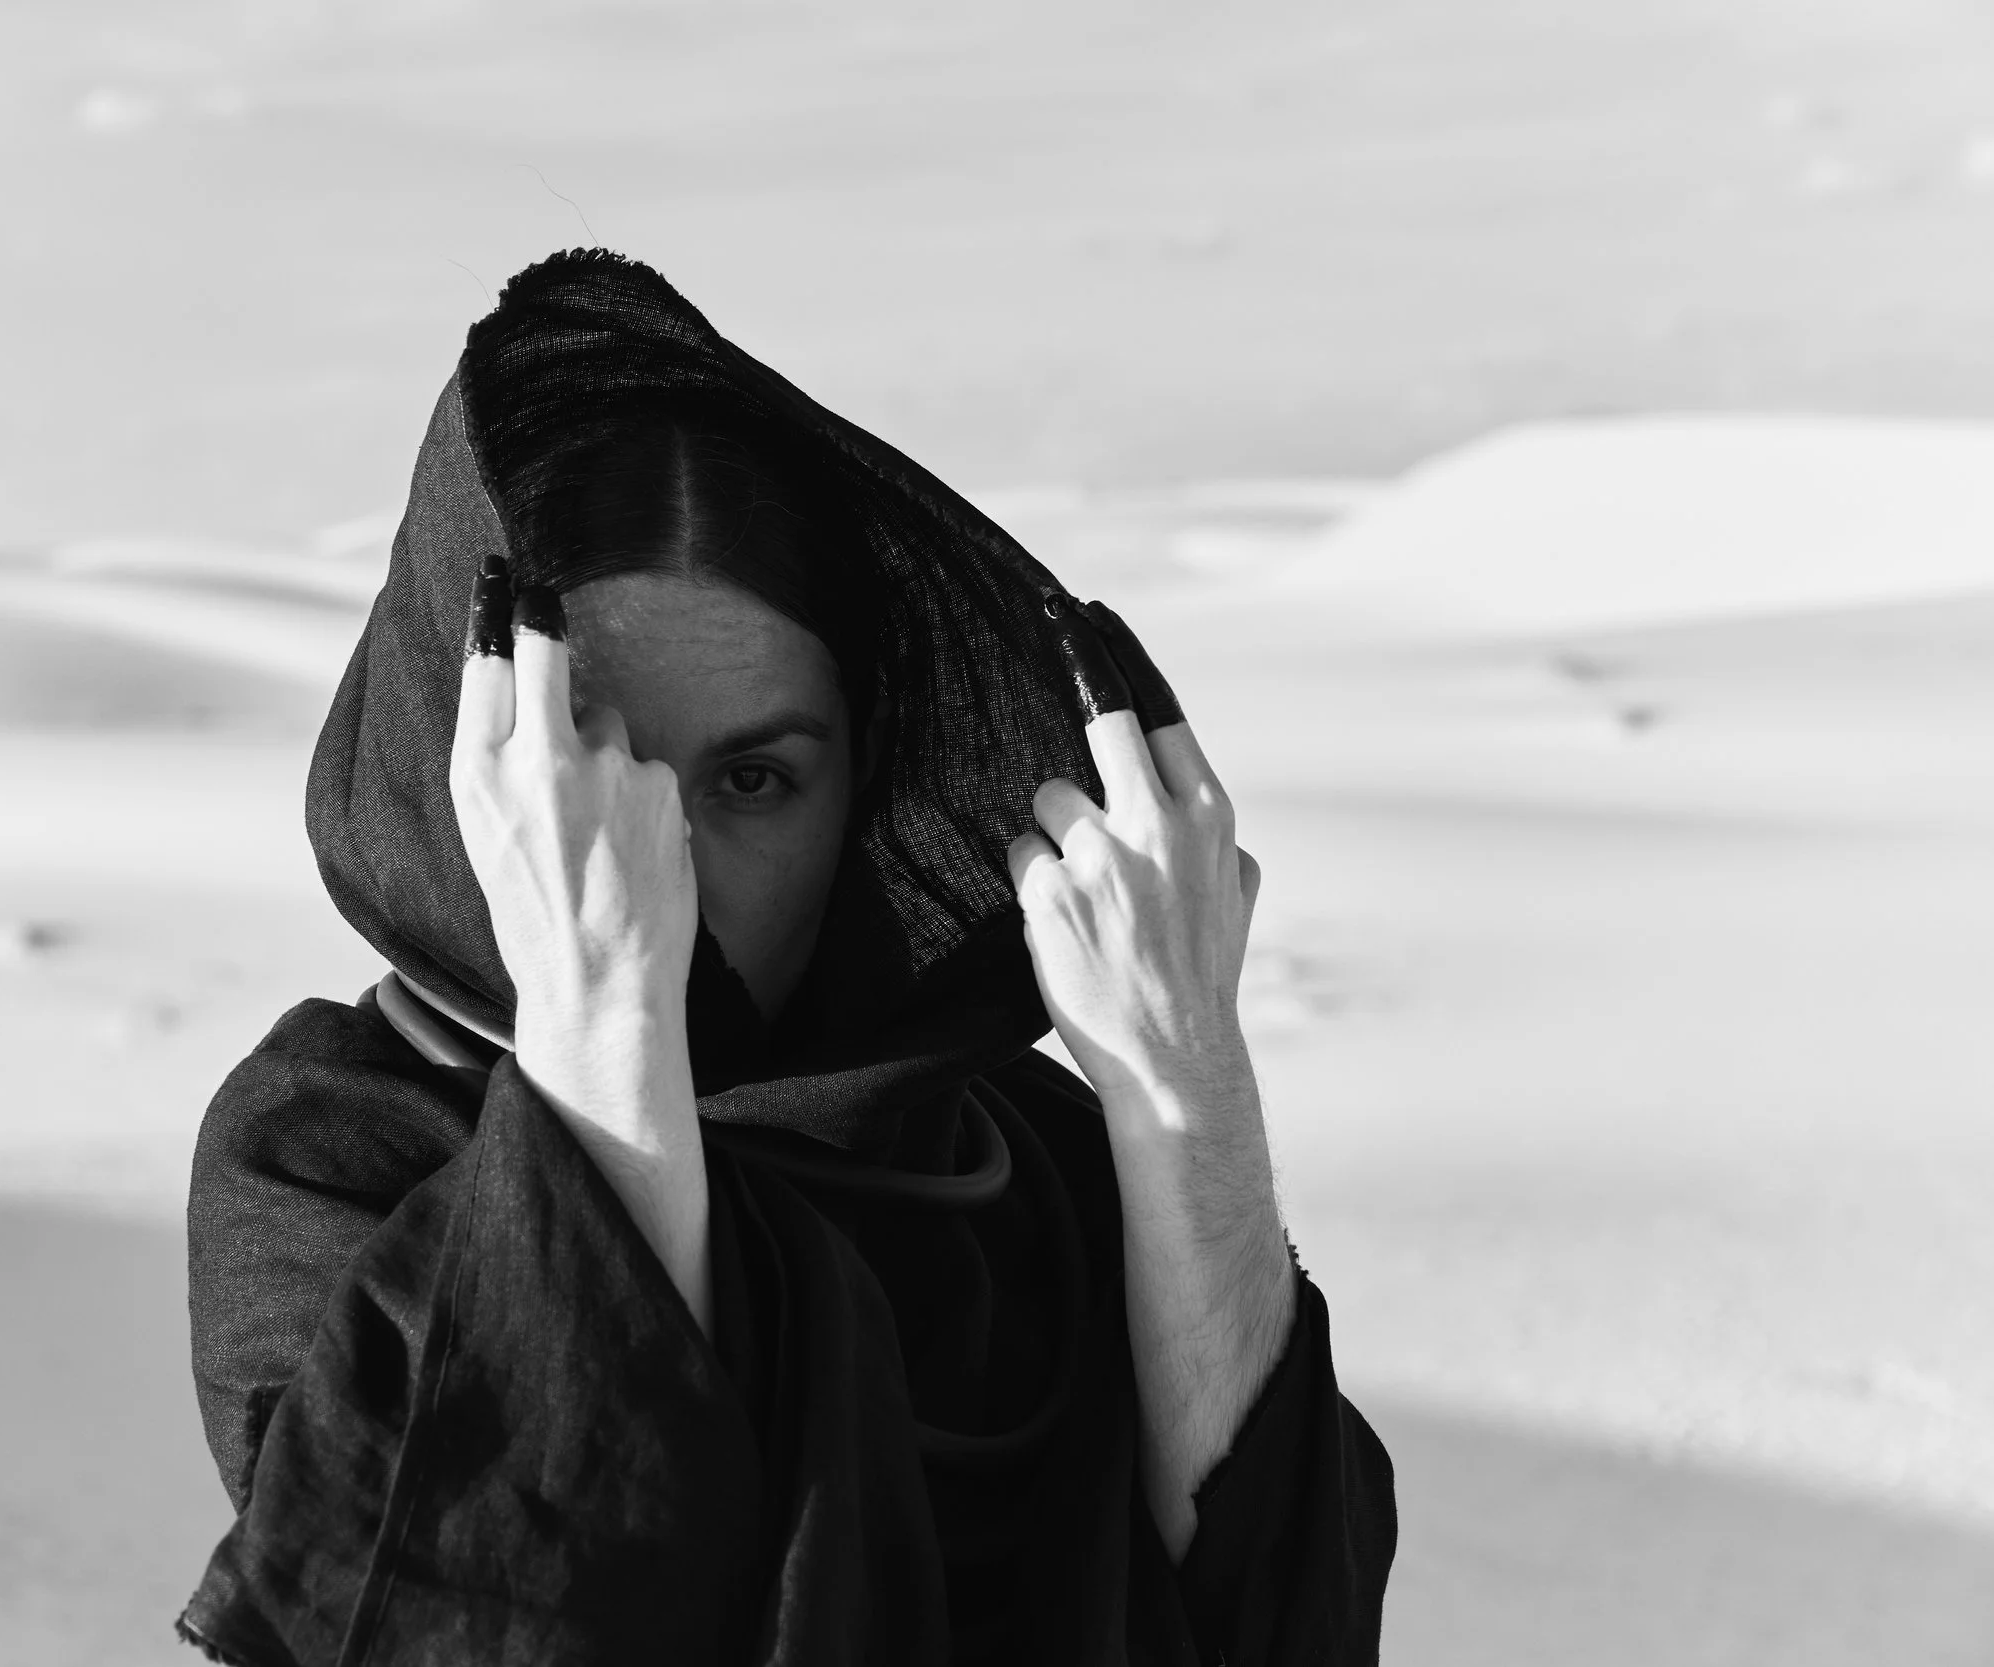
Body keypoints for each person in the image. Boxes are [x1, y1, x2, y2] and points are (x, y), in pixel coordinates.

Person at [177, 251, 1395, 1666]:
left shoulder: (1037, 1169)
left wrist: (1187, 1095)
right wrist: (600, 1019)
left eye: (756, 781)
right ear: (482, 773)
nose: (665, 849)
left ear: (862, 792)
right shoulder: (345, 1148)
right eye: (598, 760)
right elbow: (490, 1609)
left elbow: (1280, 1628)